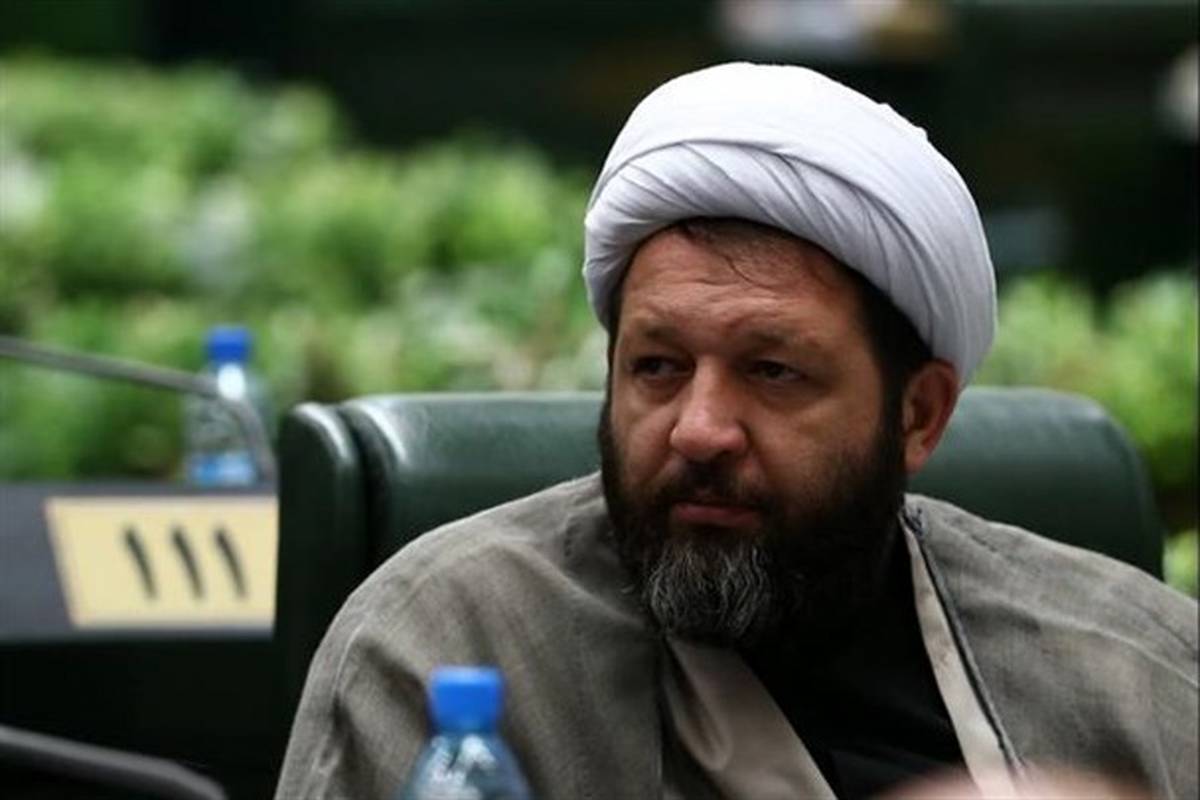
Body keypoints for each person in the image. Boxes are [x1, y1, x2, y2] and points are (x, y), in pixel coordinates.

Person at [275, 63, 1197, 800]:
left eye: (772, 372)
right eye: (658, 367)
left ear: (918, 414)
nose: (701, 430)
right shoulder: (444, 648)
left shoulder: (1139, 673)